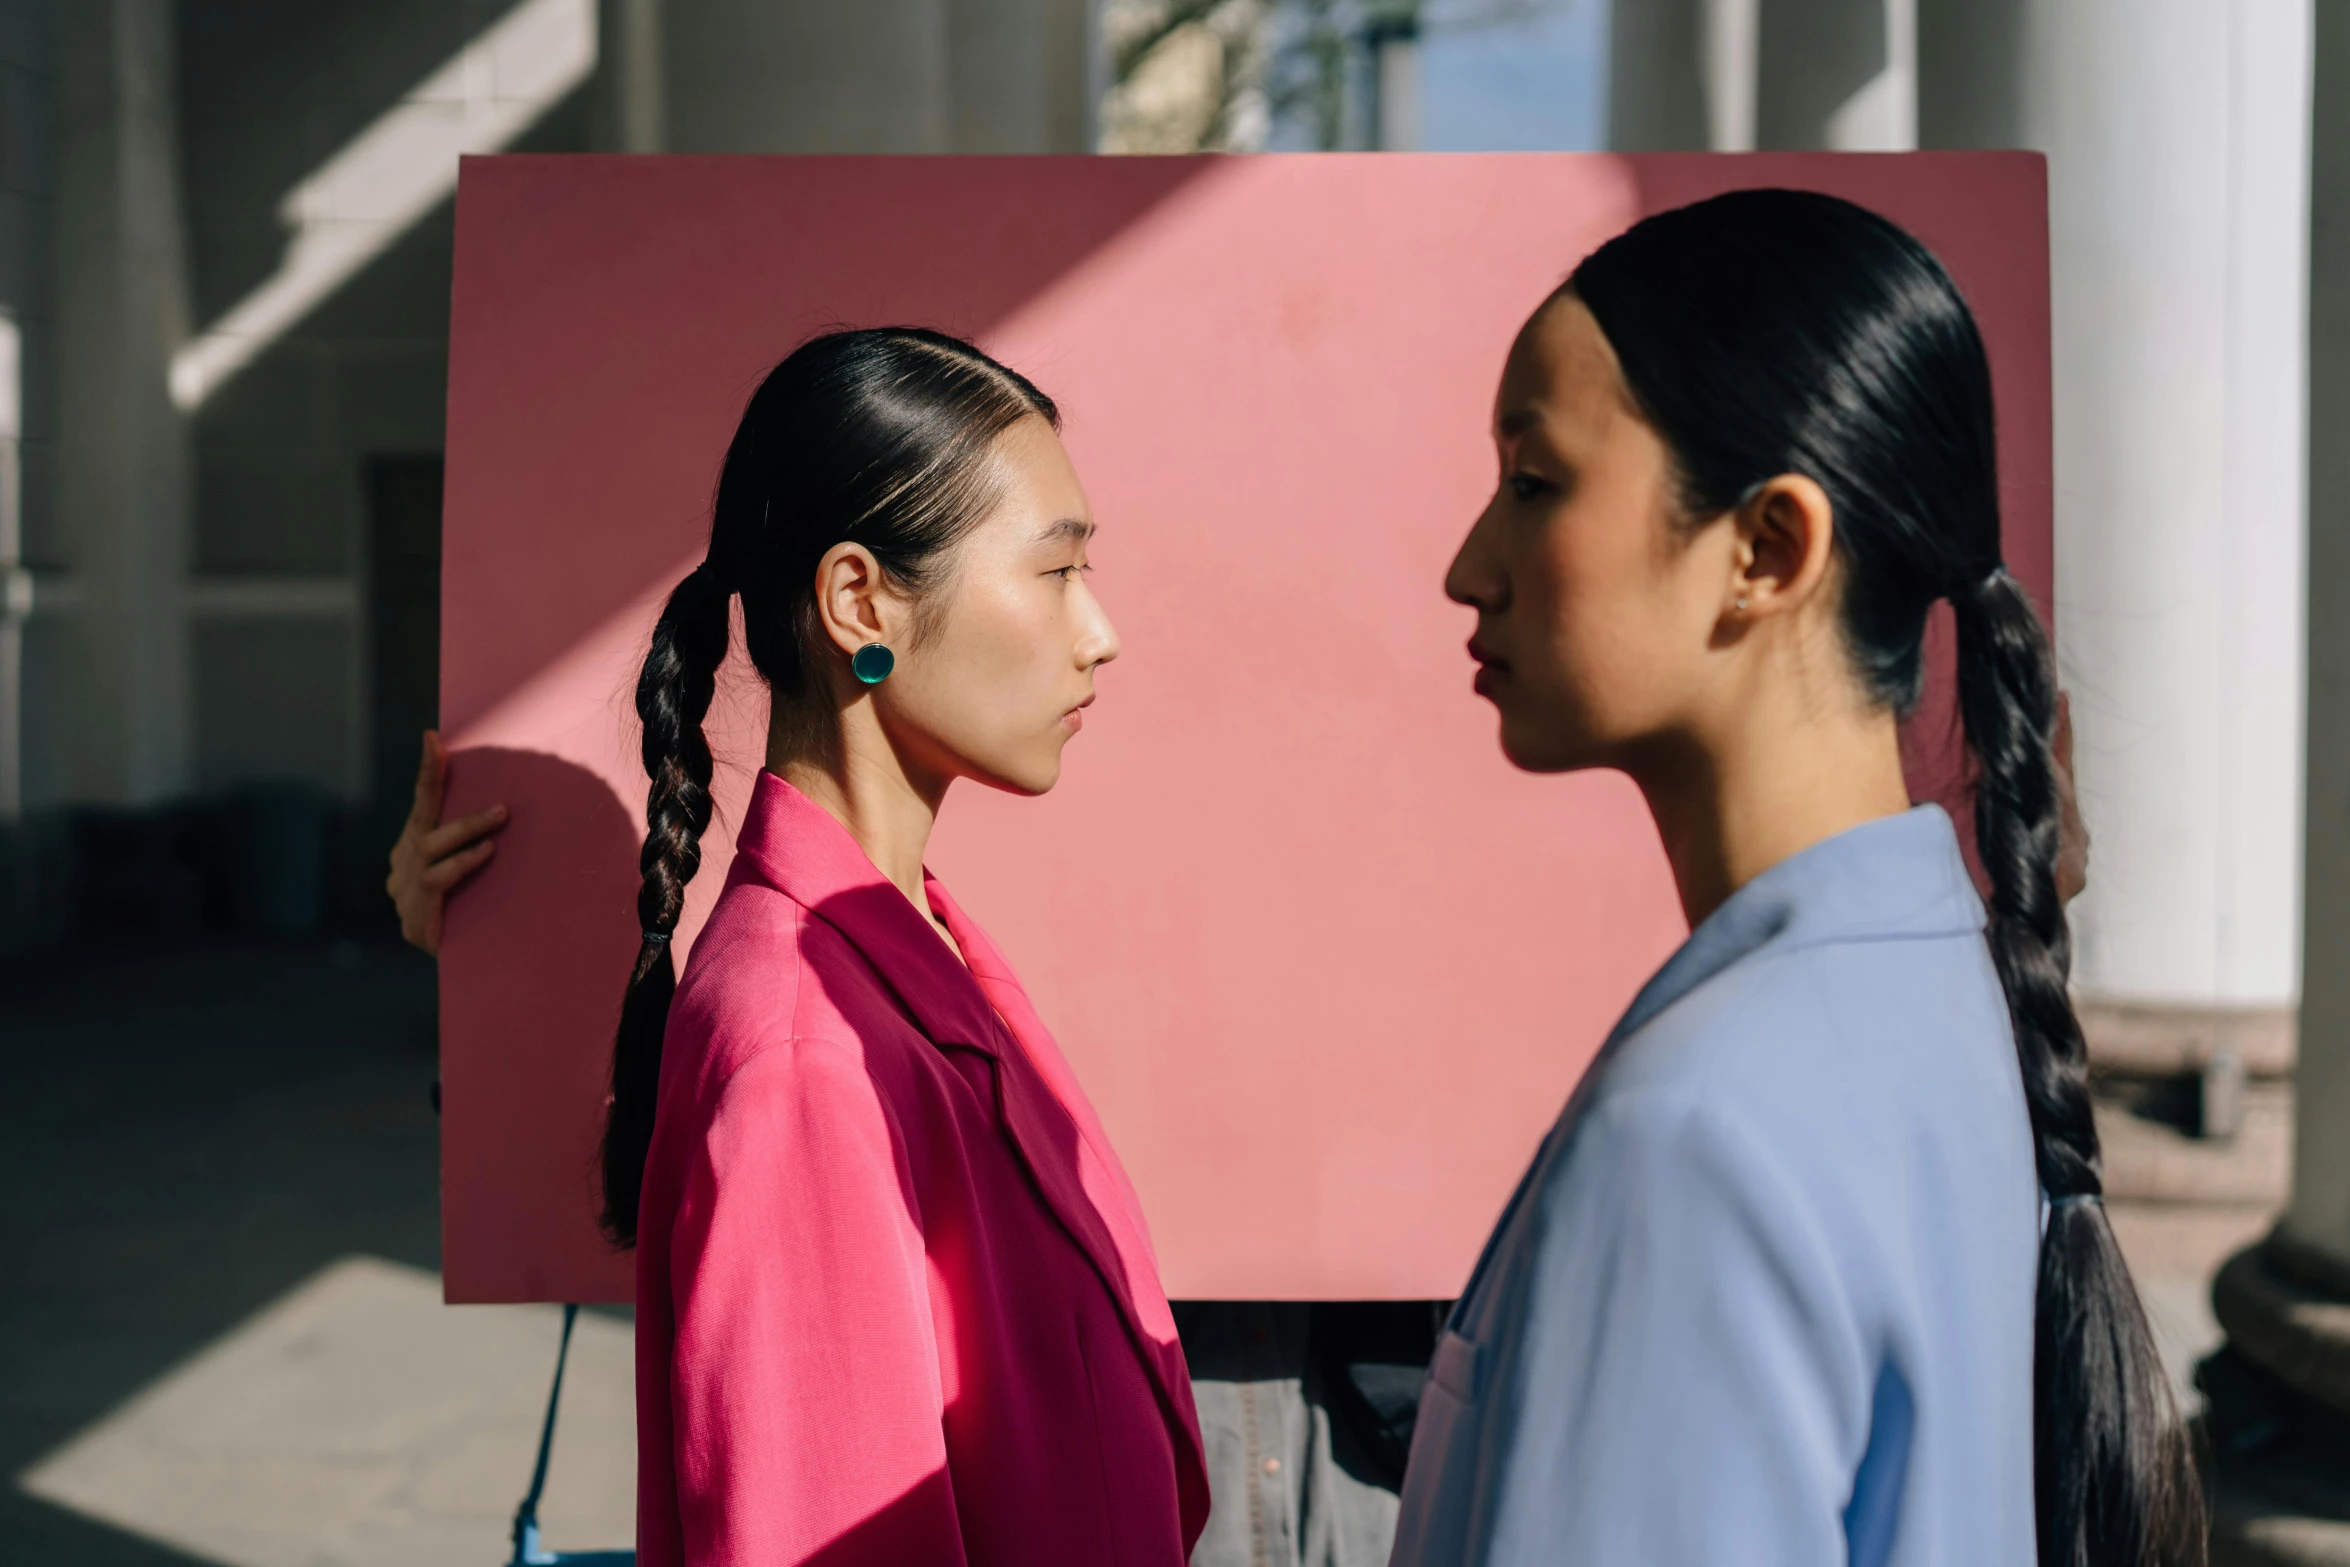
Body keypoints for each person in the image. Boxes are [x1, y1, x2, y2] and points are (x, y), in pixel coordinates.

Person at [1389, 189, 2197, 1566]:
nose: (1470, 566)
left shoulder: (1696, 1131)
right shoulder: (1944, 983)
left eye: (1533, 482)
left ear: (1768, 547)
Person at [412, 327, 1209, 1566]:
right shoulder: (803, 1055)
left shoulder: (909, 950)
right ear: (859, 602)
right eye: (1056, 572)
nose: (1100, 630)